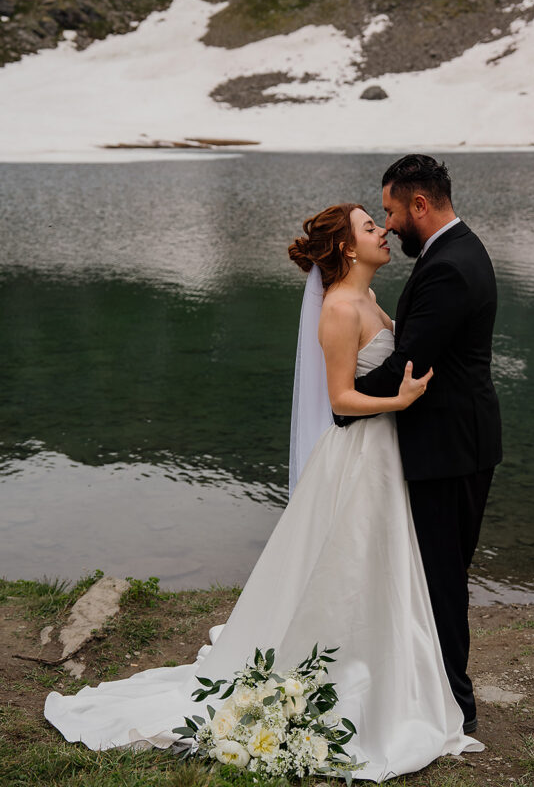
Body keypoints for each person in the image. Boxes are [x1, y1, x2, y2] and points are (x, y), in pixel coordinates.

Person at [44, 201, 483, 781]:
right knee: (351, 564)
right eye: (370, 227)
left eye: (380, 221)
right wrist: (398, 401)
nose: (383, 231)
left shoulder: (372, 299)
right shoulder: (338, 308)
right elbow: (340, 400)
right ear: (348, 248)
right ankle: (356, 678)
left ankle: (394, 674)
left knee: (385, 567)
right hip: (359, 455)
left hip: (385, 455)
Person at [334, 155, 502, 734]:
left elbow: (411, 360)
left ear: (420, 205)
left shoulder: (449, 266)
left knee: (442, 576)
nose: (390, 224)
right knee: (437, 572)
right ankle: (433, 688)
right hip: (456, 443)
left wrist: (347, 403)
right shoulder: (456, 252)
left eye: (392, 211)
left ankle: (456, 706)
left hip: (449, 448)